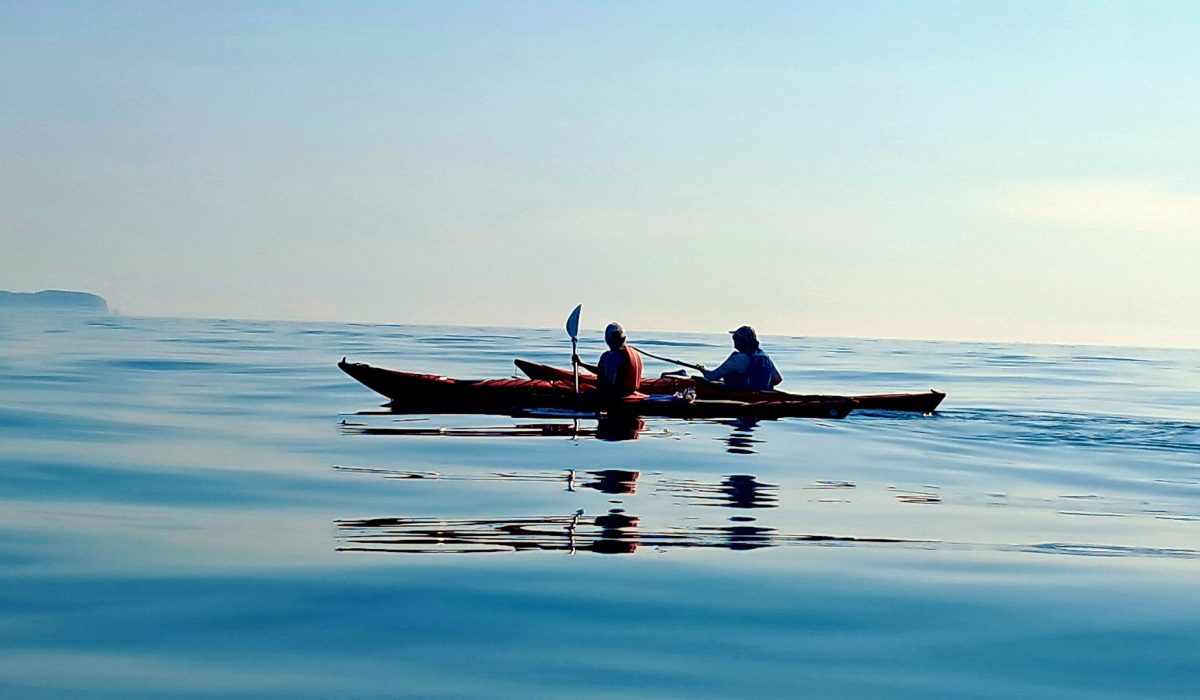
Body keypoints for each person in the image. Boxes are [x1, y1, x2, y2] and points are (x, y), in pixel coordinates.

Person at [701, 325, 782, 391]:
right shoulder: (764, 357)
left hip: (743, 398)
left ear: (740, 341)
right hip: (762, 396)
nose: (734, 341)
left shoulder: (739, 359)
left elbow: (712, 377)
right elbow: (777, 379)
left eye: (735, 338)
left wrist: (703, 370)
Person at [572, 322, 643, 397]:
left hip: (617, 397)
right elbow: (602, 371)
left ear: (608, 339)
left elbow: (608, 382)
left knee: (584, 395)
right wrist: (582, 364)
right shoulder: (635, 353)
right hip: (631, 392)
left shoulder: (612, 356)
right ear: (624, 338)